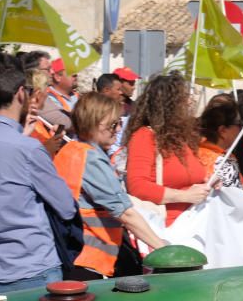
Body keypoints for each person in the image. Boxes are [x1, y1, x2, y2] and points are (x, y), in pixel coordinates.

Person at [54, 93, 166, 278]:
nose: (118, 129)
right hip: (91, 258)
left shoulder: (71, 150)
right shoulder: (91, 158)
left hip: (72, 253)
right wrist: (162, 247)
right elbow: (125, 213)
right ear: (94, 123)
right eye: (113, 124)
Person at [0, 58, 77, 290]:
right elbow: (66, 207)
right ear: (21, 93)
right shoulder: (28, 149)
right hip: (31, 268)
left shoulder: (25, 145)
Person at [123, 72, 212, 227]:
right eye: (184, 98)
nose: (189, 103)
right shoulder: (144, 136)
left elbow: (190, 176)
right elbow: (137, 186)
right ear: (170, 105)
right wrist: (184, 196)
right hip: (166, 227)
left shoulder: (182, 138)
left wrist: (209, 182)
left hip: (194, 222)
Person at [197, 99, 243, 188]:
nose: (241, 128)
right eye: (239, 124)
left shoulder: (220, 155)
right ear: (223, 130)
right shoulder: (217, 161)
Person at [39, 58, 78, 135]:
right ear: (57, 77)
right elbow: (65, 123)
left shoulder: (78, 96)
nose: (76, 75)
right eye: (71, 72)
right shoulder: (47, 98)